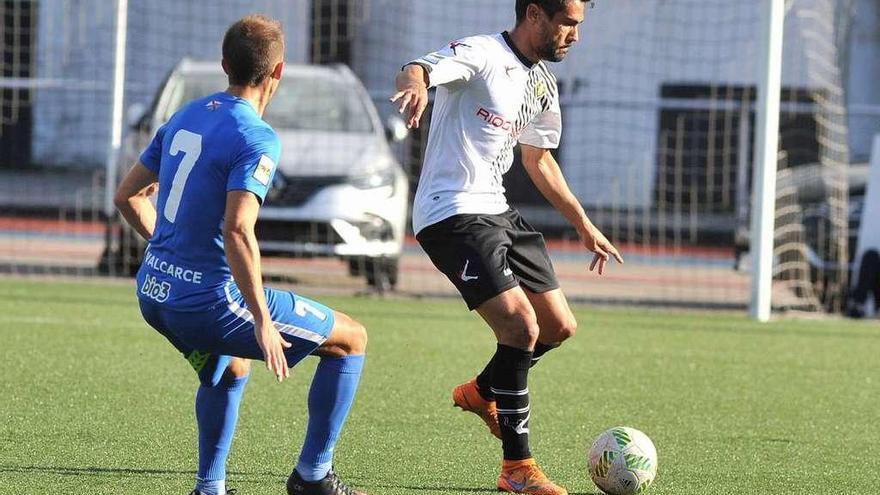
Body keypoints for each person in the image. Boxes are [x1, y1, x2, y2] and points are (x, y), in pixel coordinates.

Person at [115, 15, 367, 495]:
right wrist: (261, 319)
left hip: (152, 293)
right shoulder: (256, 137)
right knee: (351, 339)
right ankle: (312, 477)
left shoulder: (185, 114)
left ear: (224, 64)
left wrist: (169, 252)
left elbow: (127, 196)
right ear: (278, 73)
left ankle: (210, 489)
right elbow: (238, 231)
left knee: (231, 366)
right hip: (205, 303)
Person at [391, 1, 621, 494]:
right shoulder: (481, 53)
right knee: (521, 325)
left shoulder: (542, 82)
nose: (575, 36)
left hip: (498, 212)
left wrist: (583, 224)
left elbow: (539, 160)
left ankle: (481, 391)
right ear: (534, 14)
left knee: (559, 327)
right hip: (450, 211)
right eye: (568, 23)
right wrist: (415, 83)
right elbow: (422, 66)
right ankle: (517, 469)